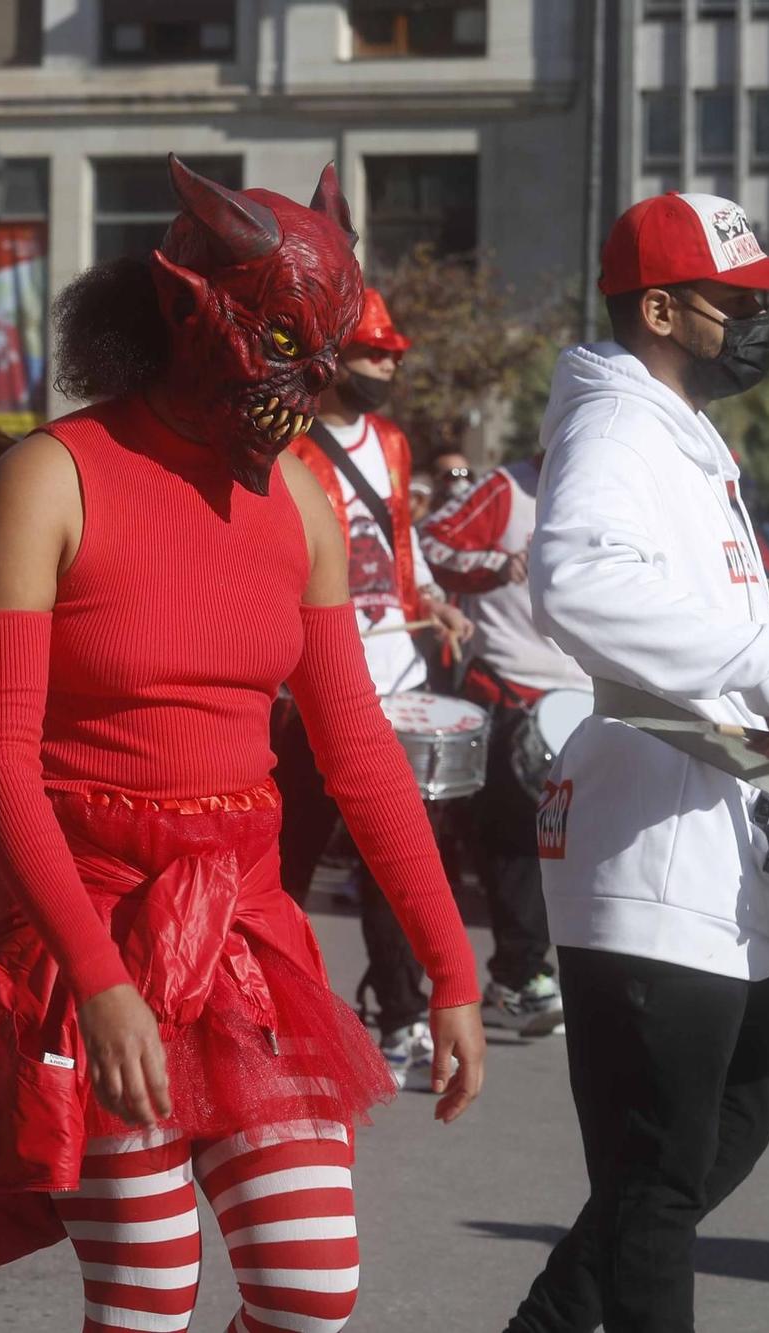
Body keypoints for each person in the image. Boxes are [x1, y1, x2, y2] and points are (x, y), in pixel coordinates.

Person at [0, 157, 485, 1332]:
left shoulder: (299, 496)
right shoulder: (48, 477)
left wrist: (451, 969)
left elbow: (355, 748)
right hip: (83, 927)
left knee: (310, 1293)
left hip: (246, 931)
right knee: (147, 1299)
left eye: (318, 357)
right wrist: (97, 985)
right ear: (183, 311)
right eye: (279, 349)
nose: (302, 388)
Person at [506, 192, 769, 1332]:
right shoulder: (618, 424)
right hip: (647, 849)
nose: (758, 320)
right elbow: (576, 577)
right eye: (740, 300)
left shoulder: (673, 428)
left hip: (701, 851)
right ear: (662, 308)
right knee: (658, 1184)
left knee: (738, 1102)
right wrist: (757, 667)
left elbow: (702, 590)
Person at [274, 286, 475, 1084]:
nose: (387, 365)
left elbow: (398, 536)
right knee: (285, 862)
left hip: (391, 672)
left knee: (395, 857)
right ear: (329, 360)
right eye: (372, 352)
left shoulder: (391, 441)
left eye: (393, 354)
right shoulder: (287, 442)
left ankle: (398, 1014)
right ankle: (268, 1004)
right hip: (310, 681)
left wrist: (432, 603)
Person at [421, 450, 595, 1036]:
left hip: (586, 695)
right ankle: (518, 975)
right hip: (509, 687)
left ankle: (536, 968)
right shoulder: (505, 488)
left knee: (576, 847)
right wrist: (497, 564)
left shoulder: (613, 486)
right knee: (520, 840)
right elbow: (430, 543)